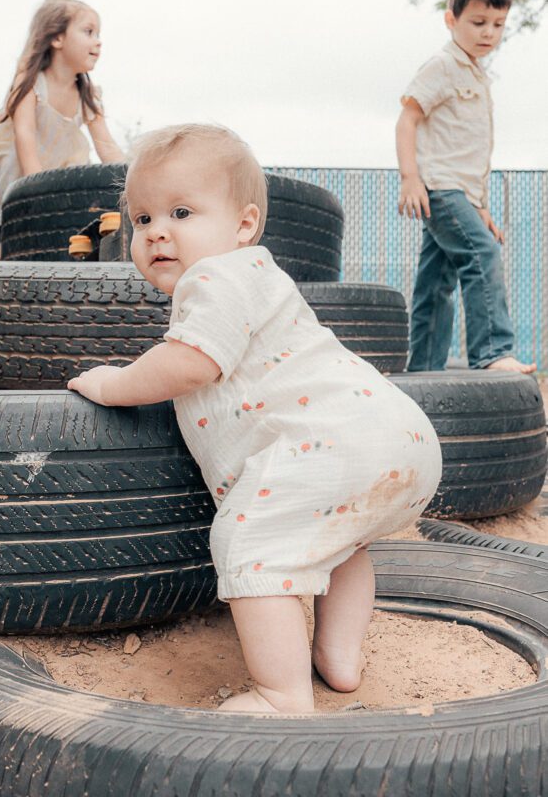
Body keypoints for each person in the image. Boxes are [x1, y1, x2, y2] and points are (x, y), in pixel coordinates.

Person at [68, 124, 442, 714]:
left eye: (182, 211)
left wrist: (115, 384)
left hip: (328, 445)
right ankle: (338, 658)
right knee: (341, 547)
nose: (156, 231)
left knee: (248, 541)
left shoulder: (213, 277)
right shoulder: (265, 280)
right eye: (141, 220)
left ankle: (282, 693)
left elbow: (191, 364)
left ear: (243, 225)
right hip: (401, 437)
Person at [396, 0, 536, 375]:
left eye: (498, 24)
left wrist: (482, 209)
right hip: (439, 188)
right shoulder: (442, 66)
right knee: (481, 254)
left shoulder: (477, 73)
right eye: (478, 22)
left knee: (435, 284)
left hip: (461, 193)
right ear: (451, 19)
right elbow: (407, 119)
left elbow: (470, 154)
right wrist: (410, 178)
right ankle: (492, 351)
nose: (488, 32)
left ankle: (423, 369)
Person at [0, 0, 125, 236]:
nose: (98, 41)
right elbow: (25, 139)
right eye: (89, 32)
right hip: (27, 173)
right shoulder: (30, 84)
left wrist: (132, 178)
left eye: (99, 34)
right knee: (24, 234)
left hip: (66, 169)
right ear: (57, 39)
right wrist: (43, 194)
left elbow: (107, 147)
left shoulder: (88, 94)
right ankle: (4, 245)